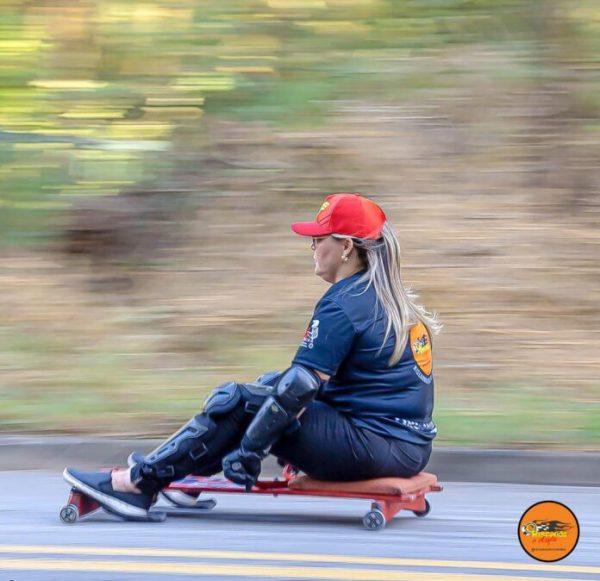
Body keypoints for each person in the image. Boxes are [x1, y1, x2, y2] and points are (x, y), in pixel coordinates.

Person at [64, 192, 441, 520]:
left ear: (345, 247)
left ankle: (138, 485)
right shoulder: (387, 298)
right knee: (266, 386)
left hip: (369, 448)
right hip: (407, 449)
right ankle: (181, 474)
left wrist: (250, 451)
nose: (311, 246)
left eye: (318, 238)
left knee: (239, 399)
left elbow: (301, 386)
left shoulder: (343, 305)